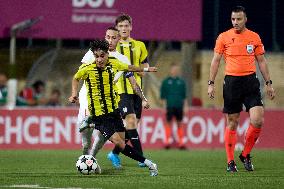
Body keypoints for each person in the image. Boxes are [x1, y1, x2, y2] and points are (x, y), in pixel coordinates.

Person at [69, 39, 158, 176]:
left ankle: (91, 123)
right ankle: (149, 164)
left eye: (102, 56)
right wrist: (74, 94)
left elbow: (130, 68)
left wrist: (146, 69)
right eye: (96, 56)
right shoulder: (87, 69)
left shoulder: (114, 63)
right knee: (120, 144)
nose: (99, 59)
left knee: (121, 143)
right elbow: (75, 78)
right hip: (100, 115)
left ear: (107, 55)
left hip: (114, 112)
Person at [207, 6, 275, 173]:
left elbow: (262, 61)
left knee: (258, 119)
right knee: (232, 121)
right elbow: (215, 61)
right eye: (233, 19)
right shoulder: (223, 37)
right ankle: (230, 161)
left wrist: (269, 83)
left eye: (238, 19)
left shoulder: (254, 37)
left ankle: (245, 154)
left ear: (245, 19)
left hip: (251, 82)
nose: (235, 22)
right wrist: (210, 83)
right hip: (231, 83)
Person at [78, 27, 150, 166]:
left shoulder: (122, 59)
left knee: (102, 137)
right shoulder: (92, 54)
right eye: (108, 37)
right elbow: (80, 74)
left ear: (119, 39)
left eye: (113, 37)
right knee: (86, 138)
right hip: (88, 97)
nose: (110, 40)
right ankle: (85, 150)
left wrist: (144, 99)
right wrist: (76, 94)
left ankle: (90, 159)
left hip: (106, 101)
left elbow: (133, 81)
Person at [107, 13, 150, 168]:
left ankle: (114, 153)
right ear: (117, 29)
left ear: (131, 27)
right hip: (120, 91)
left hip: (136, 91)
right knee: (130, 122)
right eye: (120, 26)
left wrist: (142, 70)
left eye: (126, 26)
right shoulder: (112, 46)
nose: (124, 29)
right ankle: (141, 158)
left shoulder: (140, 45)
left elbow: (145, 65)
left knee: (130, 129)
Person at [160, 63, 187, 150]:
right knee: (168, 122)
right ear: (170, 70)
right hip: (169, 105)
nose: (175, 71)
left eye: (176, 69)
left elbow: (184, 96)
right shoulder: (165, 82)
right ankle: (167, 142)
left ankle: (181, 143)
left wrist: (185, 106)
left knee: (179, 123)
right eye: (173, 69)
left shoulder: (181, 82)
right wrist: (164, 107)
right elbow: (163, 97)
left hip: (179, 105)